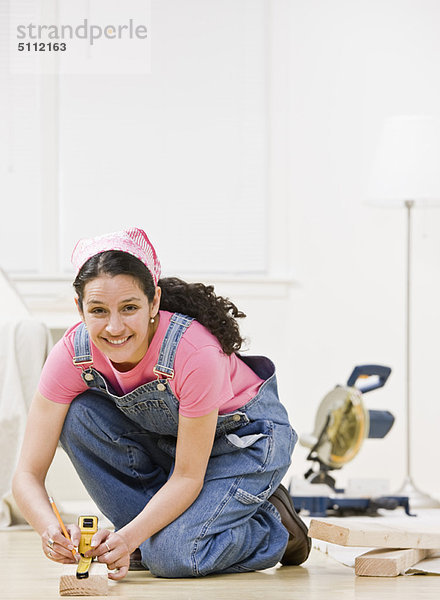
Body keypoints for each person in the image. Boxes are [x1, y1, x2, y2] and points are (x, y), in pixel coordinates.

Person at [12, 227, 310, 579]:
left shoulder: (193, 350)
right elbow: (26, 474)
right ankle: (160, 538)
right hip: (175, 448)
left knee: (173, 557)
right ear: (79, 308)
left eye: (129, 308)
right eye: (98, 310)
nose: (114, 326)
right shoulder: (72, 354)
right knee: (77, 416)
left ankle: (273, 524)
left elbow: (187, 475)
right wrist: (50, 530)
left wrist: (128, 537)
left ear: (153, 301)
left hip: (245, 444)